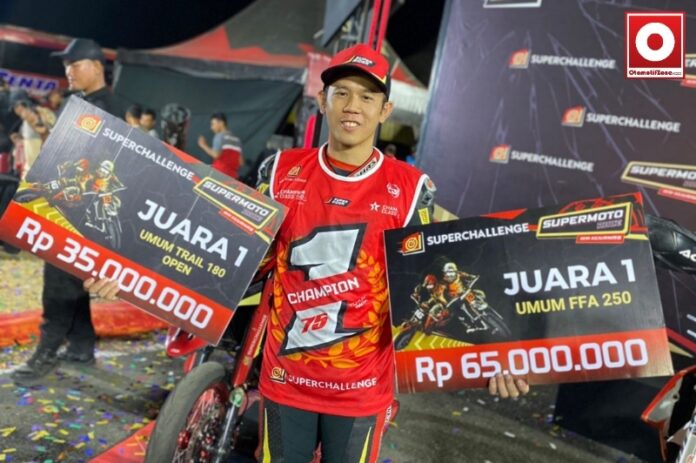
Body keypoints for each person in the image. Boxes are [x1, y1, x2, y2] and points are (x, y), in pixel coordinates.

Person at [86, 44, 528, 462]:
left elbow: (437, 281)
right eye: (342, 93)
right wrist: (133, 276)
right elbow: (227, 252)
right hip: (285, 383)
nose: (353, 106)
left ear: (384, 110)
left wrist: (494, 358)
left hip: (361, 391)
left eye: (367, 96)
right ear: (322, 100)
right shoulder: (280, 171)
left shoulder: (412, 190)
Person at [11, 38, 115, 384]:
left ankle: (46, 351)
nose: (67, 71)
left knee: (58, 283)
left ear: (97, 66)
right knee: (72, 281)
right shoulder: (81, 104)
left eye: (75, 64)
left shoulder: (106, 109)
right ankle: (82, 345)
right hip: (67, 206)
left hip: (80, 214)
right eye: (65, 65)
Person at [197, 112, 244, 178]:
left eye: (213, 124)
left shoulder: (219, 136)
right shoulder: (237, 140)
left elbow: (216, 155)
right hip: (232, 177)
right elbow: (241, 162)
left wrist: (203, 145)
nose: (212, 128)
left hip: (218, 174)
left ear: (221, 123)